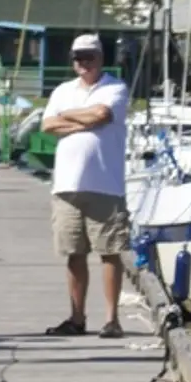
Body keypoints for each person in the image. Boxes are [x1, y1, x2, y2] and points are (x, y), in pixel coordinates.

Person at [40, 33, 131, 338]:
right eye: (78, 57)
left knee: (109, 252)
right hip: (67, 185)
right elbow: (47, 124)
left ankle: (112, 320)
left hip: (105, 184)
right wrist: (84, 119)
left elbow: (102, 114)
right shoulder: (63, 90)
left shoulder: (115, 87)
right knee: (74, 253)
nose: (83, 63)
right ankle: (76, 318)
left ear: (100, 58)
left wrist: (66, 115)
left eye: (89, 56)